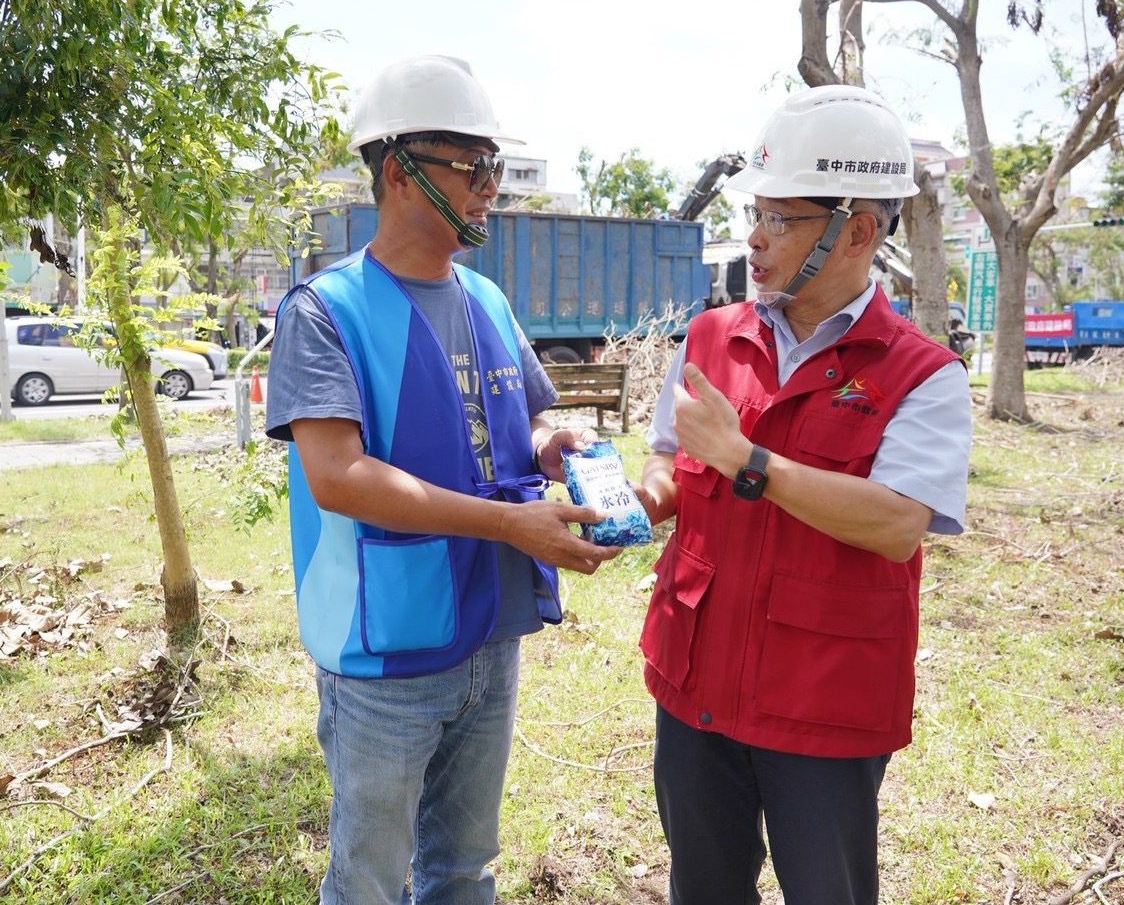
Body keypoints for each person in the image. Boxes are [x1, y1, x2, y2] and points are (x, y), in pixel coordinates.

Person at [265, 55, 619, 905]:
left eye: (494, 168)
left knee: (465, 870)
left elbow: (526, 416)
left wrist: (551, 442)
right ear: (398, 172)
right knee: (370, 880)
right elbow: (339, 476)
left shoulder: (487, 301)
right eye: (475, 168)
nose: (492, 188)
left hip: (489, 631)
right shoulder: (323, 311)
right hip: (385, 649)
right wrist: (509, 526)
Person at [634, 85, 973, 905]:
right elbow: (669, 463)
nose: (753, 238)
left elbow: (898, 525)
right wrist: (629, 504)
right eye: (756, 212)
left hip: (823, 702)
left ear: (857, 230)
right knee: (703, 889)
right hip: (697, 688)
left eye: (780, 218)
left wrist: (753, 462)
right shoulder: (713, 336)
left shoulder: (922, 374)